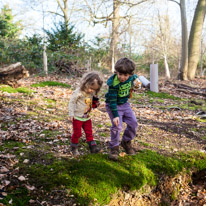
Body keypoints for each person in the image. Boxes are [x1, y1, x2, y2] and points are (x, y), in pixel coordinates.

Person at [105, 57, 141, 161]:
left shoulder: (131, 77)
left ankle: (126, 141)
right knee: (117, 126)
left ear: (129, 74)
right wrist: (115, 115)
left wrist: (137, 82)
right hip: (113, 105)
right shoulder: (113, 84)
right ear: (116, 72)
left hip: (125, 104)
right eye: (120, 74)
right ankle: (114, 147)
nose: (122, 77)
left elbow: (135, 77)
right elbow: (112, 101)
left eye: (125, 75)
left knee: (133, 123)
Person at [69, 71, 103, 156]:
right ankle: (74, 147)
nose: (91, 91)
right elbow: (72, 102)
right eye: (91, 88)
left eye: (94, 89)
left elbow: (91, 104)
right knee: (77, 133)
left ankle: (93, 147)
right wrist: (71, 114)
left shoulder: (91, 93)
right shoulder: (79, 92)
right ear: (86, 83)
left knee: (89, 132)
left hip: (87, 117)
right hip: (77, 117)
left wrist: (96, 104)